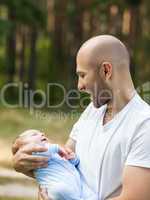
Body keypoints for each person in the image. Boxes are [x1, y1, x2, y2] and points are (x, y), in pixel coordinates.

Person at [12, 35, 150, 200]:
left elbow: (134, 197)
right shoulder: (92, 111)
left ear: (106, 70)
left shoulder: (144, 125)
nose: (79, 86)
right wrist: (22, 165)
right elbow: (63, 164)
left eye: (83, 75)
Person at [13, 129, 98, 200]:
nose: (42, 134)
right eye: (34, 134)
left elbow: (72, 164)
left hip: (77, 184)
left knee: (92, 196)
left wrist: (73, 159)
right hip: (57, 187)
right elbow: (47, 149)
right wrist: (58, 147)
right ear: (25, 148)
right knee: (62, 190)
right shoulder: (35, 154)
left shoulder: (55, 154)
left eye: (41, 133)